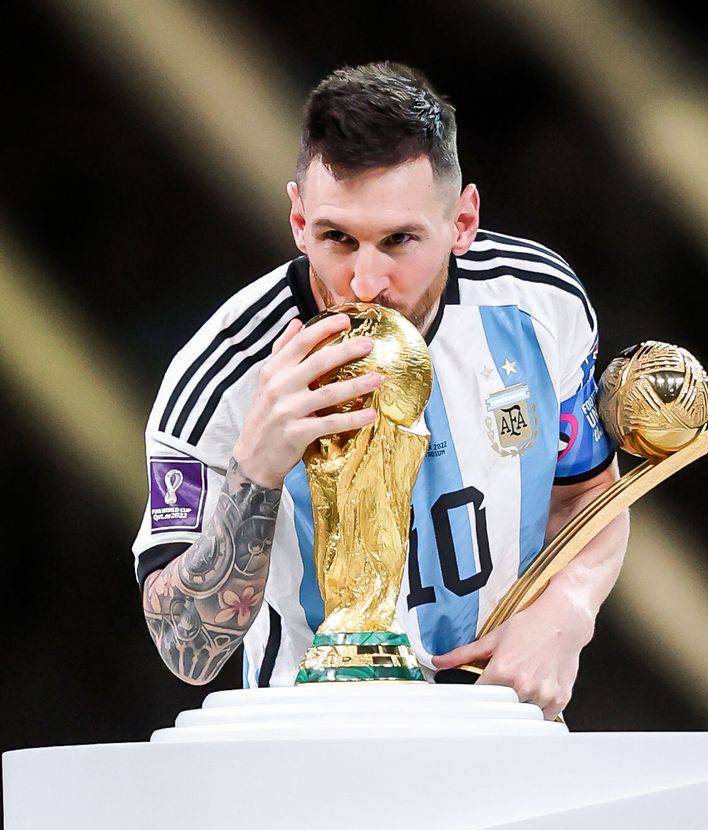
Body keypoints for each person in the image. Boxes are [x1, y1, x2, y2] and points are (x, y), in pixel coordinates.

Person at [133, 62, 629, 720]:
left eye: (399, 240)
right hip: (310, 752)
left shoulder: (540, 305)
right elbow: (185, 647)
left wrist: (570, 608)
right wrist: (256, 466)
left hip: (504, 725)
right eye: (337, 238)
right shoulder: (220, 378)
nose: (366, 282)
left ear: (463, 221)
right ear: (298, 220)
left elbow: (588, 497)